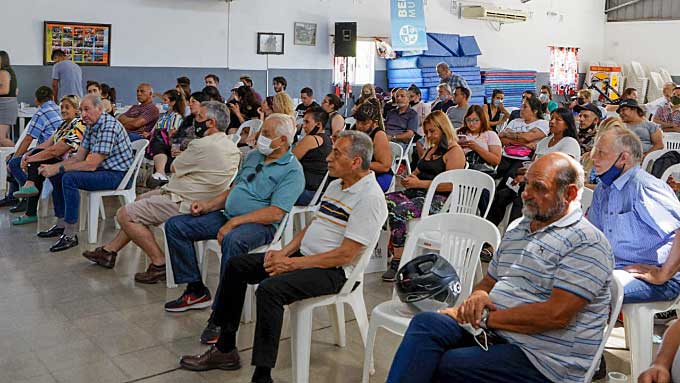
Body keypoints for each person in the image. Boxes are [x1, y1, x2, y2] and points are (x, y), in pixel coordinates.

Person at [178, 130, 388, 383]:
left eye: (336, 153)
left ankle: (262, 375)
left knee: (270, 290)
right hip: (307, 258)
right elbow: (314, 225)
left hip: (335, 272)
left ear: (356, 162)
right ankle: (225, 348)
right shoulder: (337, 184)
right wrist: (283, 252)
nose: (328, 158)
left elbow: (346, 255)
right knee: (237, 266)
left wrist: (291, 264)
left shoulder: (370, 198)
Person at [386, 153, 613, 383]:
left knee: (450, 364)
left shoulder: (586, 242)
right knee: (427, 325)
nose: (526, 193)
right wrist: (478, 296)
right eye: (526, 184)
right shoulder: (520, 228)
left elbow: (555, 315)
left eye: (538, 187)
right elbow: (489, 280)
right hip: (498, 333)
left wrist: (484, 319)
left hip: (544, 359)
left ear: (570, 193)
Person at [163, 114, 304, 345]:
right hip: (228, 216)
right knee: (176, 226)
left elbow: (275, 213)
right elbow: (235, 189)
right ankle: (196, 288)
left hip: (261, 226)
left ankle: (221, 317)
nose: (260, 138)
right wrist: (208, 205)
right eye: (261, 133)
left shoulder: (292, 171)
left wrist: (235, 223)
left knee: (233, 240)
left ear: (284, 140)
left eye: (267, 135)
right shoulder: (255, 156)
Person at [82, 101, 240, 282]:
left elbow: (174, 167)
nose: (195, 121)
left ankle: (159, 263)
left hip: (185, 200)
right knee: (139, 201)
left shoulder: (201, 145)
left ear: (211, 123)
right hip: (205, 197)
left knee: (125, 214)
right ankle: (109, 251)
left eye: (199, 117)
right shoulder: (231, 146)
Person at [589, 127, 680, 304]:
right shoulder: (603, 189)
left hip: (659, 278)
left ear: (623, 158)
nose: (593, 158)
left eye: (601, 153)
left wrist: (662, 274)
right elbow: (595, 237)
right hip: (616, 269)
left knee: (582, 293)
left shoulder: (643, 187)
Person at [38, 94, 133, 252]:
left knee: (69, 178)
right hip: (104, 170)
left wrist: (57, 168)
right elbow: (78, 158)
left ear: (100, 109)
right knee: (58, 175)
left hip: (118, 175)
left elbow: (91, 165)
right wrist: (54, 168)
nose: (83, 114)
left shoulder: (108, 126)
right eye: (81, 110)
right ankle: (62, 224)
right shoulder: (91, 125)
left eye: (87, 109)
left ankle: (70, 235)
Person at [382, 111, 466, 281]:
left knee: (399, 211)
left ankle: (398, 260)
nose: (429, 135)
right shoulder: (432, 149)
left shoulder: (454, 152)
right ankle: (394, 247)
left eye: (432, 131)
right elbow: (419, 171)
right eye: (427, 132)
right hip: (419, 193)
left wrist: (419, 183)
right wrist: (410, 178)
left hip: (439, 200)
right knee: (383, 202)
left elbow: (450, 185)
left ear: (444, 129)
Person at [487, 107, 580, 226]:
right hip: (532, 182)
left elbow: (563, 171)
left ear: (567, 124)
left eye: (558, 120)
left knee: (522, 198)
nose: (552, 122)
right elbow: (532, 164)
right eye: (551, 118)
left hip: (555, 187)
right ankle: (490, 235)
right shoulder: (544, 141)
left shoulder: (569, 143)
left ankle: (516, 237)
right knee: (502, 194)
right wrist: (523, 175)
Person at [11, 95, 85, 225]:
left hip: (72, 162)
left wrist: (31, 159)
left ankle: (31, 198)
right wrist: (28, 154)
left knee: (41, 165)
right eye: (61, 107)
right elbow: (47, 144)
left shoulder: (79, 124)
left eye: (67, 107)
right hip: (57, 159)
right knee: (34, 164)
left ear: (76, 110)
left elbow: (56, 150)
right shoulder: (63, 125)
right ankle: (30, 203)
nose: (63, 110)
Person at [4, 86, 62, 212]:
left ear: (36, 101)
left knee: (13, 163)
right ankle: (12, 197)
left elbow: (28, 139)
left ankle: (27, 197)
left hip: (51, 151)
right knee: (13, 158)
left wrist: (15, 158)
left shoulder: (41, 113)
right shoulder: (59, 108)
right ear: (52, 97)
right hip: (57, 149)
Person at [495, 97, 549, 183]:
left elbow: (528, 137)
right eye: (521, 106)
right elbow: (502, 139)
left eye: (525, 107)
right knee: (496, 175)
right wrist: (525, 144)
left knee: (507, 180)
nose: (521, 109)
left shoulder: (543, 123)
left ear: (535, 110)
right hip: (505, 156)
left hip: (524, 160)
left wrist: (508, 134)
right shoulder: (515, 121)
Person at [145, 89, 185, 187]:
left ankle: (160, 172)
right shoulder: (163, 116)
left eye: (165, 100)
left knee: (158, 140)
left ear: (173, 102)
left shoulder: (176, 117)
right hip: (156, 141)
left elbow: (172, 134)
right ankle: (160, 174)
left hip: (167, 145)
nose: (163, 102)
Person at [292, 106, 331, 205]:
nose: (303, 126)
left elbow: (289, 161)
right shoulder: (327, 140)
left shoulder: (311, 139)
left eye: (307, 122)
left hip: (306, 192)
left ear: (318, 124)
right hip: (318, 192)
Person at [353, 98, 393, 192]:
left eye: (364, 123)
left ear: (374, 122)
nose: (359, 126)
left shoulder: (379, 135)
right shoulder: (355, 129)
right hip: (361, 171)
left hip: (381, 175)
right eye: (358, 122)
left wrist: (359, 163)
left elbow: (385, 166)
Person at [457, 105, 502, 174]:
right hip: (460, 167)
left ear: (482, 120)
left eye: (476, 120)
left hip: (481, 171)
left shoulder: (490, 134)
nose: (471, 123)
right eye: (468, 120)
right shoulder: (459, 133)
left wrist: (476, 148)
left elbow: (496, 161)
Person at [0, 50, 18, 147]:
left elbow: (5, 90)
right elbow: (16, 91)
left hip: (5, 106)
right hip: (8, 104)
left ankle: (17, 154)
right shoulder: (10, 72)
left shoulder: (3, 72)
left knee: (1, 139)